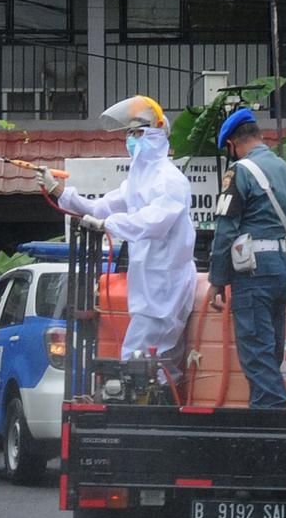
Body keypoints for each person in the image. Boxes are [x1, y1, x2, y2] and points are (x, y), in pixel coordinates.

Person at [35, 95, 196, 364]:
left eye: (137, 132)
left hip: (166, 287)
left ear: (157, 134)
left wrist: (110, 224)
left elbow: (153, 222)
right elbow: (100, 207)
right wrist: (59, 190)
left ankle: (146, 406)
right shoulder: (137, 179)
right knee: (150, 364)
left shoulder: (170, 180)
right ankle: (155, 404)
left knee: (140, 362)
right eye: (129, 133)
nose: (131, 139)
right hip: (149, 287)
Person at [207, 108, 286, 409]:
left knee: (257, 355)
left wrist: (217, 281)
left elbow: (225, 230)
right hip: (283, 269)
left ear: (232, 145)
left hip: (254, 274)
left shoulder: (240, 171)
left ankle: (271, 426)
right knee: (270, 351)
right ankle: (264, 414)